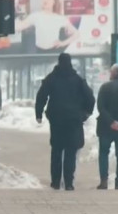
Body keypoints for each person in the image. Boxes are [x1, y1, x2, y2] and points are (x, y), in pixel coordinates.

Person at [35, 53, 95, 190]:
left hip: (56, 119)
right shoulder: (78, 79)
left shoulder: (52, 78)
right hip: (73, 120)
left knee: (56, 150)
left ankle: (55, 182)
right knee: (70, 151)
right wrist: (85, 113)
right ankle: (68, 183)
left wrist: (38, 113)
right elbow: (90, 98)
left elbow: (41, 96)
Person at [15, 0, 79, 52]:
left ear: (54, 1)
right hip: (39, 52)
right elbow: (18, 27)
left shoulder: (60, 18)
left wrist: (63, 43)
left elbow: (76, 34)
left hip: (54, 52)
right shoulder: (35, 16)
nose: (45, 0)